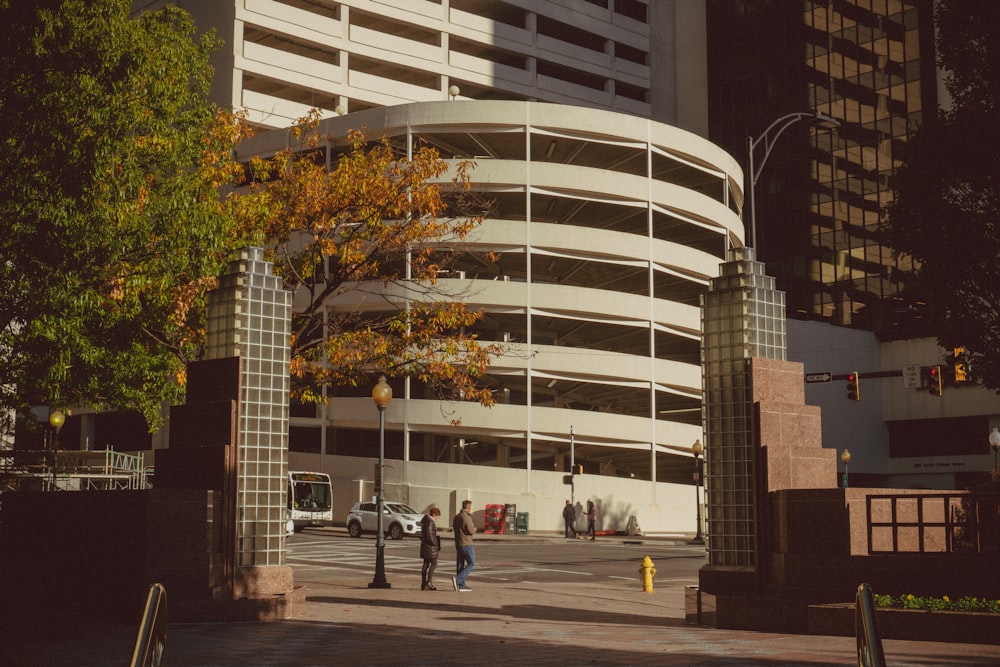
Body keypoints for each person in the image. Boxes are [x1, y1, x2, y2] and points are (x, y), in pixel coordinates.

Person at [452, 499, 476, 591]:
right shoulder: (466, 517)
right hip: (466, 542)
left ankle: (461, 585)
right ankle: (458, 579)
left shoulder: (457, 517)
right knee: (471, 562)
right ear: (469, 507)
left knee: (460, 563)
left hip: (458, 543)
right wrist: (474, 529)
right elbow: (470, 530)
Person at [420, 506, 442, 590]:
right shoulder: (430, 522)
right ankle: (428, 582)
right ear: (434, 514)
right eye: (437, 516)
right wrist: (435, 543)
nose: (437, 518)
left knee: (425, 564)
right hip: (430, 547)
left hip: (425, 546)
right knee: (434, 564)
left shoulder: (426, 521)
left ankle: (423, 583)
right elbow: (430, 535)